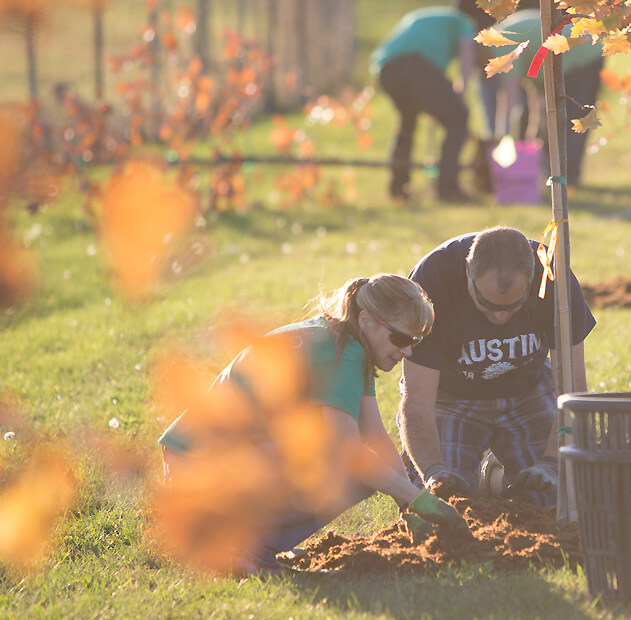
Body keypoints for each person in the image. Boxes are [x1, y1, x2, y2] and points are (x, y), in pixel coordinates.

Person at [156, 275, 468, 576]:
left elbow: (375, 437)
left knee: (369, 470)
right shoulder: (343, 352)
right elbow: (347, 451)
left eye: (416, 341)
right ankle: (248, 549)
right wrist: (417, 498)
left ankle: (252, 545)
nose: (408, 351)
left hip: (198, 462)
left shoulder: (344, 341)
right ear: (367, 321)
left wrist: (407, 503)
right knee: (350, 469)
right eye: (401, 338)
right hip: (200, 471)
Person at [397, 227, 595, 507]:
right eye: (487, 304)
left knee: (560, 498)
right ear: (468, 271)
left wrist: (552, 463)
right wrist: (433, 471)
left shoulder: (553, 277)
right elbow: (417, 402)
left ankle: (497, 478)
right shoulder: (432, 281)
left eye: (514, 306)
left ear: (532, 280)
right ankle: (480, 476)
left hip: (529, 391)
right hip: (451, 396)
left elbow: (574, 393)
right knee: (441, 501)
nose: (500, 316)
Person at [487, 9, 605, 188]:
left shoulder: (500, 46)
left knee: (569, 120)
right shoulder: (499, 34)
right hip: (574, 50)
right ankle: (555, 177)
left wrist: (502, 134)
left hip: (581, 53)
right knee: (556, 121)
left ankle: (567, 180)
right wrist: (532, 131)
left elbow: (510, 97)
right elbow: (535, 91)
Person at [370, 7, 477, 203]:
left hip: (386, 69)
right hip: (417, 66)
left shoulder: (430, 17)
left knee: (407, 120)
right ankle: (448, 188)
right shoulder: (464, 23)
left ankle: (399, 187)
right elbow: (466, 57)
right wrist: (461, 96)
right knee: (458, 118)